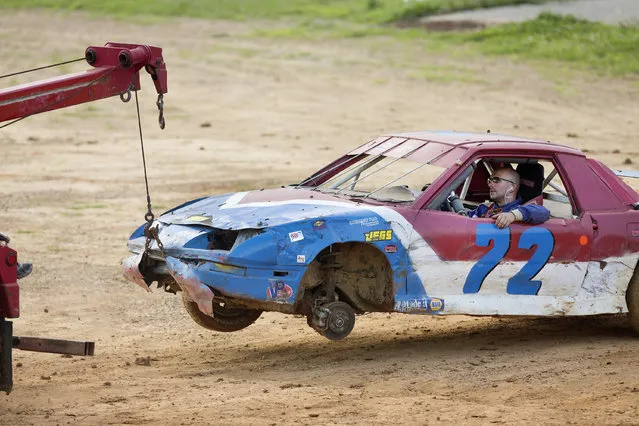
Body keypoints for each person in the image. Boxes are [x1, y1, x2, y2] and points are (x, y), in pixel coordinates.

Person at [463, 167, 550, 229]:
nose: (490, 184)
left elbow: (544, 212)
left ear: (512, 187)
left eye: (496, 180)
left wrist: (513, 216)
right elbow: (465, 218)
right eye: (489, 180)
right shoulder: (484, 208)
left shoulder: (518, 209)